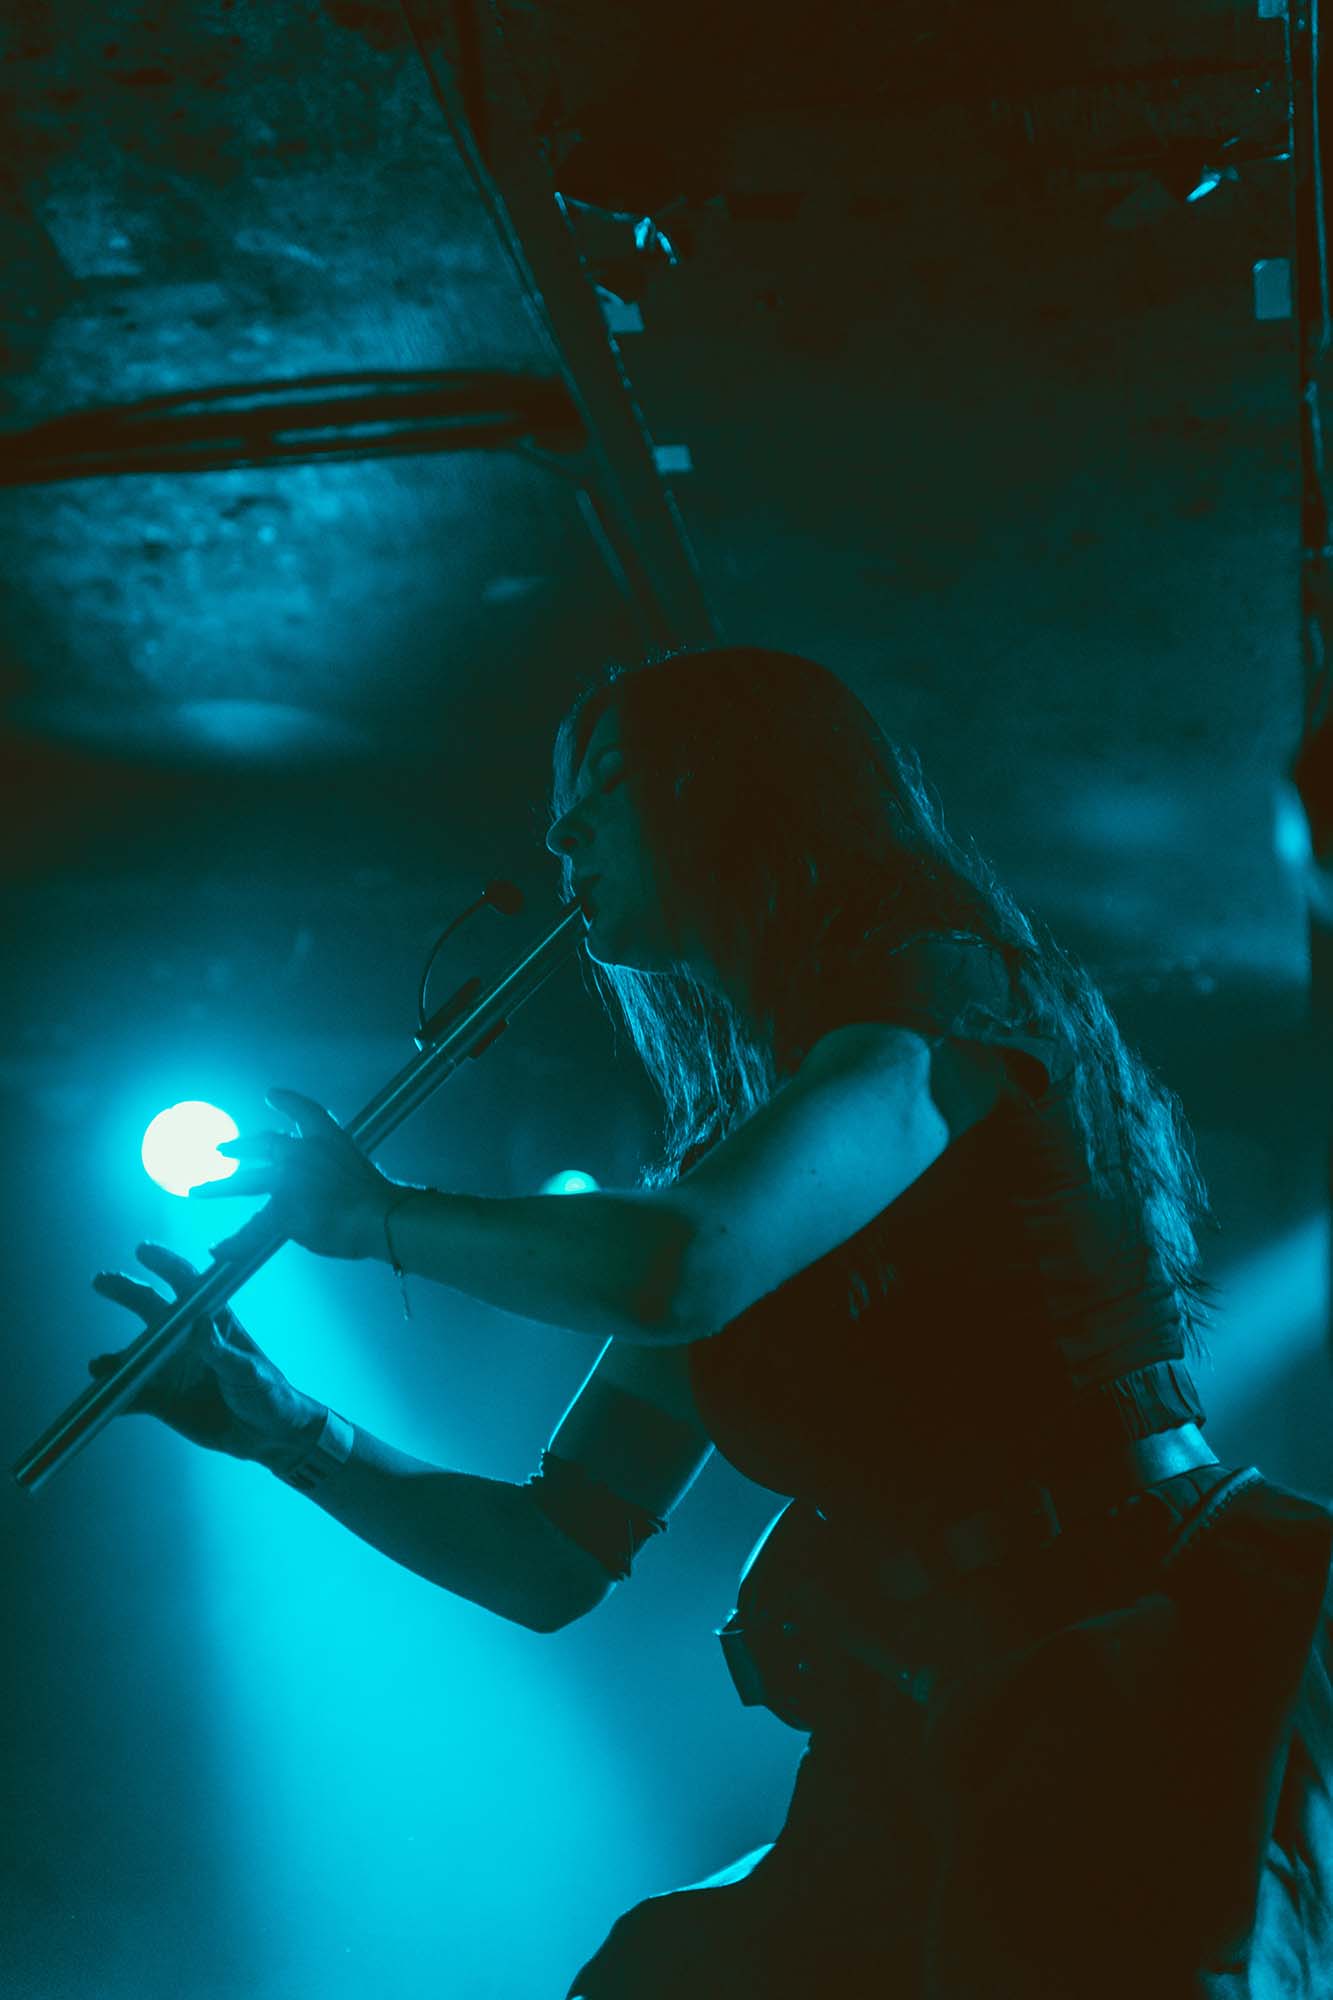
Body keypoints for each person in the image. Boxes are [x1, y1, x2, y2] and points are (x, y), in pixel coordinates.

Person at [90, 646, 1333, 1998]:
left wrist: (379, 1216)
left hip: (1128, 1645)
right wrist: (284, 1428)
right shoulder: (737, 1157)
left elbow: (680, 1268)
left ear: (736, 789)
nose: (562, 836)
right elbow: (551, 1552)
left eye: (605, 787)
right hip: (924, 1703)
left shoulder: (942, 1001)